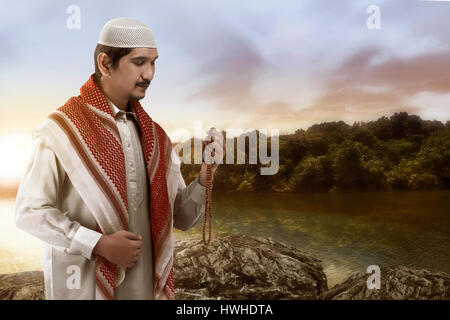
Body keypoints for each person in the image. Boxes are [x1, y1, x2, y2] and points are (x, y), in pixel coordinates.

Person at [14, 17, 222, 300]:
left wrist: (206, 172)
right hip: (83, 290)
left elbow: (182, 217)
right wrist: (98, 244)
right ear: (105, 63)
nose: (149, 74)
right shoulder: (61, 130)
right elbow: (29, 212)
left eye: (154, 62)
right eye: (139, 62)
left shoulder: (156, 138)